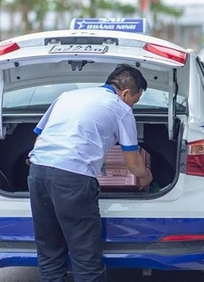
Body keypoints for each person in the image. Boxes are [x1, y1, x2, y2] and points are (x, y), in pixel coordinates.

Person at [27, 64, 153, 282]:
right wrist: (146, 177)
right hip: (72, 180)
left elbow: (38, 139)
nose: (133, 106)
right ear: (125, 93)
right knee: (86, 258)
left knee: (49, 253)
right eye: (135, 100)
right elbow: (133, 163)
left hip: (38, 174)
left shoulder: (67, 97)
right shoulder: (121, 109)